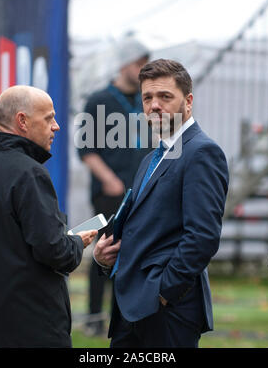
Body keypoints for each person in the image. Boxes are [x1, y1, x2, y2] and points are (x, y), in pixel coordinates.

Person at [94, 58, 229, 347]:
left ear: (188, 102)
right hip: (129, 310)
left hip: (168, 312)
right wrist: (106, 259)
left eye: (165, 97)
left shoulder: (202, 152)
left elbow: (202, 237)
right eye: (147, 97)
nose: (154, 105)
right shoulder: (150, 158)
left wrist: (162, 294)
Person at [0, 85, 97, 348]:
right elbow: (55, 252)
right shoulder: (29, 173)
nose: (56, 126)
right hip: (32, 325)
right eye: (49, 118)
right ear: (22, 121)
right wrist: (77, 242)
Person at [78, 37, 151, 336]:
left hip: (139, 189)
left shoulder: (146, 99)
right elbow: (85, 149)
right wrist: (108, 179)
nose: (143, 69)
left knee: (135, 254)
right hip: (108, 191)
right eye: (139, 63)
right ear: (124, 64)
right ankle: (95, 318)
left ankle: (125, 316)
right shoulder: (99, 100)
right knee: (104, 250)